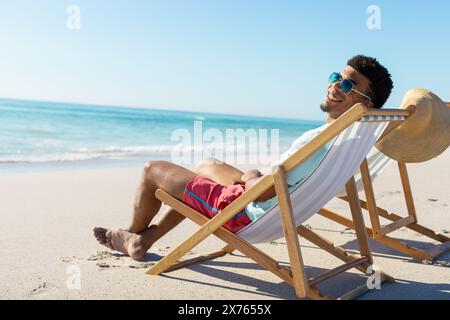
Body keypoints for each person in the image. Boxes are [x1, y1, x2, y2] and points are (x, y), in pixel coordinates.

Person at [93, 55, 393, 260]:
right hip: (272, 207)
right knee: (206, 166)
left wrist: (251, 178)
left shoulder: (320, 141)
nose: (334, 87)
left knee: (151, 170)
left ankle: (132, 235)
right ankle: (146, 239)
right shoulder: (351, 138)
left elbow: (261, 194)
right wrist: (252, 177)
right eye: (335, 78)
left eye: (347, 86)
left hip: (246, 215)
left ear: (366, 104)